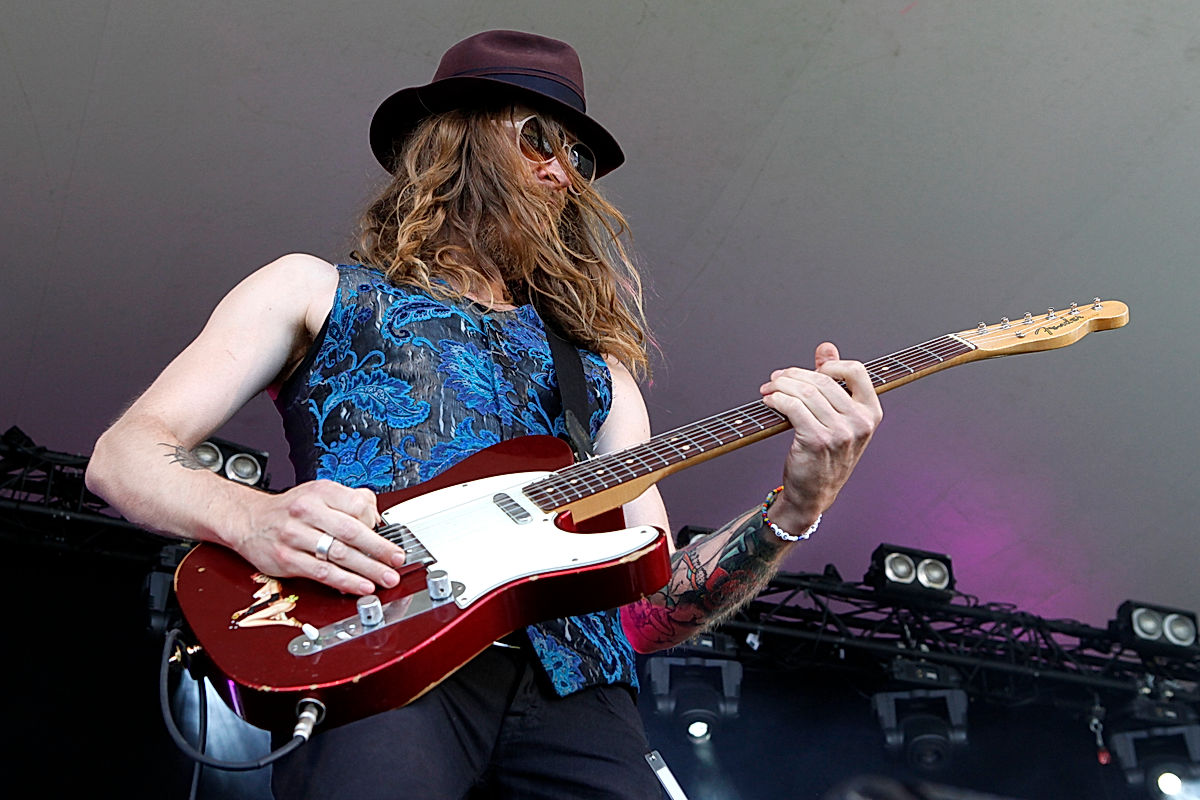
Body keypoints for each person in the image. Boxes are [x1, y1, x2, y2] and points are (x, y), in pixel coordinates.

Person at [85, 29, 882, 799]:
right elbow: (125, 454)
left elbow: (652, 607)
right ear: (456, 139)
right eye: (540, 137)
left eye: (580, 158)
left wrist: (794, 511)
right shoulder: (312, 289)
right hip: (382, 652)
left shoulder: (599, 379)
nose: (561, 174)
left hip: (580, 695)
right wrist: (252, 518)